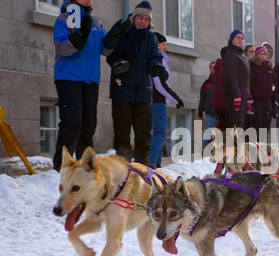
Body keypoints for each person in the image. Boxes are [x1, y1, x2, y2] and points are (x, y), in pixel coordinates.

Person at [52, 0, 131, 171]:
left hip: (91, 79)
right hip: (69, 76)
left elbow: (105, 49)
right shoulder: (64, 19)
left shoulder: (95, 21)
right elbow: (62, 48)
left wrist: (115, 34)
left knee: (89, 123)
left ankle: (86, 165)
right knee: (72, 121)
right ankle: (61, 163)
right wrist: (81, 35)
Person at [106, 1, 164, 166]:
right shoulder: (124, 34)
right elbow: (111, 53)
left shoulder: (151, 38)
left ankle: (142, 160)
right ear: (134, 17)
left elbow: (155, 57)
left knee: (144, 130)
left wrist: (156, 68)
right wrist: (118, 63)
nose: (143, 21)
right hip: (122, 88)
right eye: (140, 17)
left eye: (146, 19)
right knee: (122, 127)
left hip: (144, 91)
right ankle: (123, 157)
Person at [148, 32, 184, 168]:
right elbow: (160, 84)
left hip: (157, 100)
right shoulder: (157, 60)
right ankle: (151, 162)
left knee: (159, 132)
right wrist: (176, 99)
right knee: (160, 133)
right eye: (163, 44)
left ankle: (156, 162)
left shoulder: (159, 59)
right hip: (157, 101)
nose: (166, 47)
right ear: (157, 44)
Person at [223, 30, 252, 128]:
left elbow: (246, 79)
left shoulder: (243, 56)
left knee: (241, 124)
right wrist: (236, 95)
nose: (240, 40)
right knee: (235, 124)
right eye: (238, 38)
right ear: (232, 40)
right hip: (235, 95)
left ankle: (239, 143)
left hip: (243, 95)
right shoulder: (231, 55)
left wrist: (248, 97)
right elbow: (231, 76)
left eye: (242, 38)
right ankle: (233, 143)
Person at [248, 45, 277, 139]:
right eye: (260, 53)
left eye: (264, 54)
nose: (262, 56)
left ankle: (263, 147)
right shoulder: (253, 67)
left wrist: (274, 102)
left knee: (266, 126)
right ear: (256, 55)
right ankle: (256, 146)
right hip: (257, 101)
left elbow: (275, 85)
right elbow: (249, 84)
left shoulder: (269, 69)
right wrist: (251, 100)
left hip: (268, 101)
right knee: (257, 126)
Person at [198, 62, 216, 145]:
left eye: (215, 67)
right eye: (211, 67)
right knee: (208, 132)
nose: (213, 69)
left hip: (221, 112)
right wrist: (200, 110)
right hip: (210, 111)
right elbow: (202, 98)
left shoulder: (223, 81)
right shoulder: (206, 83)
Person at [213, 47, 229, 131]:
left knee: (222, 128)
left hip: (219, 104)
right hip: (226, 103)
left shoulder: (218, 67)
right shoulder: (226, 66)